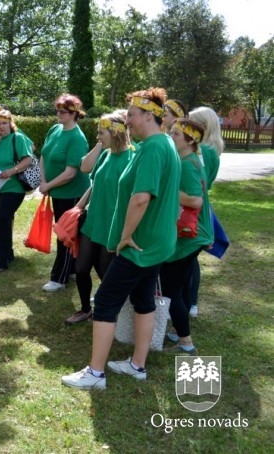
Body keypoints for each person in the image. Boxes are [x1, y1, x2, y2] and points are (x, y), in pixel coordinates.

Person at [61, 87, 181, 390]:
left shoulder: (154, 148)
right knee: (142, 299)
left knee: (104, 301)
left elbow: (141, 198)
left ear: (147, 116)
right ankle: (137, 365)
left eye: (131, 115)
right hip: (155, 243)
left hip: (140, 245)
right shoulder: (164, 144)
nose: (127, 121)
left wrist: (125, 236)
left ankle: (95, 373)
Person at [66, 112, 133, 324]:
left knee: (106, 273)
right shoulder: (105, 154)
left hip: (112, 225)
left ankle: (117, 312)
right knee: (81, 268)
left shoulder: (131, 157)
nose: (98, 137)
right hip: (93, 221)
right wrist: (77, 208)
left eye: (101, 133)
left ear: (115, 133)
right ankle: (86, 309)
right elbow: (90, 178)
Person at [163, 117, 214, 354]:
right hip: (192, 235)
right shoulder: (188, 159)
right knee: (178, 287)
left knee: (169, 289)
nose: (171, 136)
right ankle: (177, 330)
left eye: (175, 134)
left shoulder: (187, 164)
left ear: (190, 140)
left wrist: (168, 188)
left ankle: (185, 340)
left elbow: (196, 200)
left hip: (191, 236)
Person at [39, 94, 90, 292]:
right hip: (56, 192)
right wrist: (44, 183)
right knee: (63, 233)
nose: (58, 114)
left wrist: (49, 185)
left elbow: (70, 173)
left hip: (72, 193)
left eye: (63, 111)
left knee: (66, 234)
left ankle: (59, 278)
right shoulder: (55, 129)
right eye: (58, 110)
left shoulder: (77, 138)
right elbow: (44, 155)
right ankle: (70, 269)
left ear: (74, 114)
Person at [0, 110, 34, 272]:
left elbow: (28, 159)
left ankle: (1, 260)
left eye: (4, 123)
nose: (1, 126)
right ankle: (8, 252)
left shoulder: (18, 138)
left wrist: (12, 171)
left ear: (10, 123)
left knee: (3, 218)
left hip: (14, 186)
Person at [187, 106, 223, 317]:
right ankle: (190, 302)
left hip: (195, 209)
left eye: (192, 121)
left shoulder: (204, 151)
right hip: (199, 208)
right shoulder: (210, 150)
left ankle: (191, 302)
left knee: (188, 258)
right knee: (190, 259)